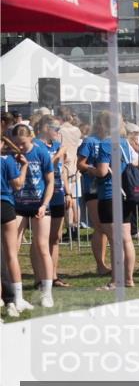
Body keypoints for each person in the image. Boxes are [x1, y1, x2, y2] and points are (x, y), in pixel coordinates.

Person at [11, 124, 55, 307]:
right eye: (17, 144)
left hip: (39, 205)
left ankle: (47, 292)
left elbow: (50, 181)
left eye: (22, 143)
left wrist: (44, 204)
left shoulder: (41, 152)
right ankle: (13, 293)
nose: (20, 147)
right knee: (12, 248)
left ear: (31, 137)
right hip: (18, 205)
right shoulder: (12, 155)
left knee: (42, 246)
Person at [93, 112, 138, 289]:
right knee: (126, 239)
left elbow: (102, 171)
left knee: (115, 241)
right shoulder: (125, 143)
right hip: (126, 193)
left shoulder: (106, 143)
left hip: (110, 194)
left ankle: (116, 280)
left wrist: (90, 169)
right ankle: (128, 279)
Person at [35, 116, 70, 287]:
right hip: (42, 197)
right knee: (40, 240)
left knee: (55, 238)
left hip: (58, 195)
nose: (58, 132)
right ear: (45, 128)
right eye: (55, 128)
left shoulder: (57, 145)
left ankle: (53, 276)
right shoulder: (36, 145)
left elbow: (62, 171)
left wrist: (68, 193)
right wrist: (58, 155)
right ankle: (40, 277)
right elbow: (42, 168)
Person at [78, 122, 110, 275]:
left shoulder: (111, 141)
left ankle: (104, 264)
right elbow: (80, 164)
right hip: (93, 187)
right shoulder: (90, 141)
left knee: (106, 227)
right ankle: (101, 265)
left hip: (108, 188)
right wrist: (95, 169)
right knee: (100, 226)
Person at [1, 147, 30, 317]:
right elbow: (18, 184)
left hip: (5, 204)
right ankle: (16, 298)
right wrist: (24, 166)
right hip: (5, 204)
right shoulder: (8, 160)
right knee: (11, 255)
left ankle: (10, 299)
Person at [57, 108, 82, 235]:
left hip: (65, 165)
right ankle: (75, 227)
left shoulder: (60, 131)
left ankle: (70, 228)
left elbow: (59, 148)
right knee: (75, 198)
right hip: (75, 165)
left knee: (67, 198)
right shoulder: (77, 130)